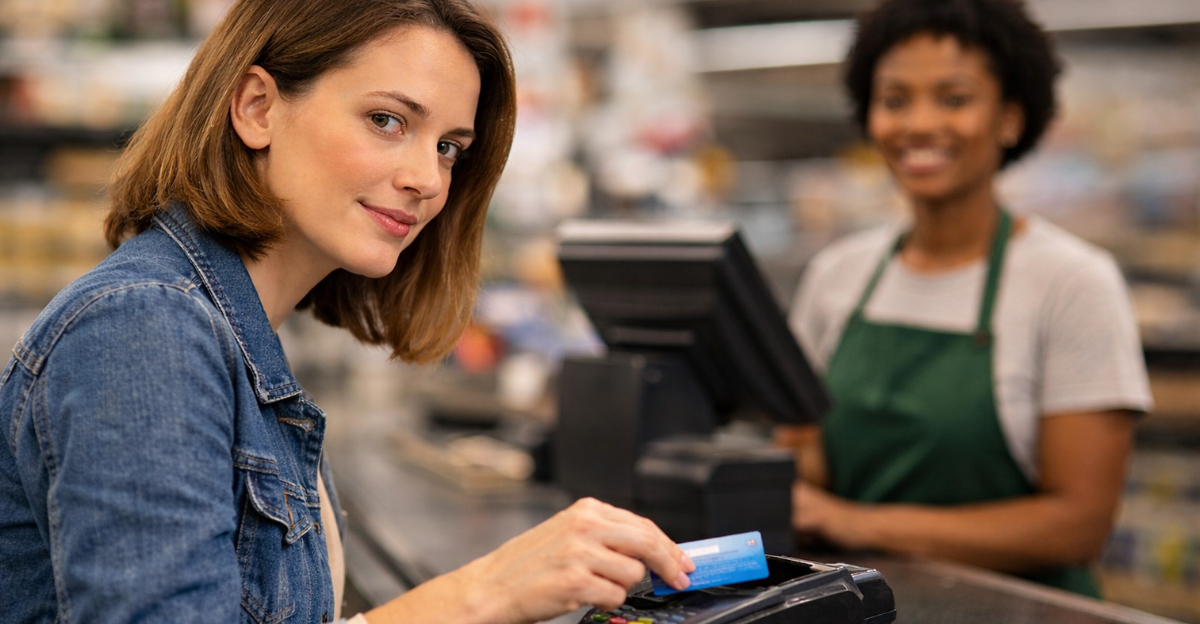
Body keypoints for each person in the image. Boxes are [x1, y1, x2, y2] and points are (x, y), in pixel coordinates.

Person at [0, 1, 695, 623]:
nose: (427, 178)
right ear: (256, 107)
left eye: (449, 147)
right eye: (387, 120)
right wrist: (477, 597)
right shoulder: (145, 328)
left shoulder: (232, 326)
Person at [781, 0, 1152, 598]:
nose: (919, 124)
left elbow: (1077, 527)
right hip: (864, 606)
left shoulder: (1072, 283)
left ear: (1010, 118)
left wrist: (856, 522)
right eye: (895, 99)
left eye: (954, 98)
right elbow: (808, 465)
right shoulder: (836, 276)